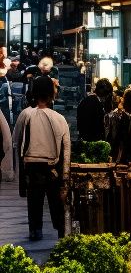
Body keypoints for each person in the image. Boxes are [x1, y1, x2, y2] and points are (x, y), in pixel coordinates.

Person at [12, 74, 70, 241]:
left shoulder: (25, 115)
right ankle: (61, 232)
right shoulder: (59, 118)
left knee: (34, 201)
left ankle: (35, 230)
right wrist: (66, 175)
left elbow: (16, 140)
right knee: (56, 203)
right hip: (53, 168)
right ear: (52, 95)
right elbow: (66, 149)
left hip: (31, 167)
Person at [77, 77, 114, 144]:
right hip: (92, 142)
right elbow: (96, 126)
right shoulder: (95, 103)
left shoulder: (86, 100)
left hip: (85, 140)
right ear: (107, 94)